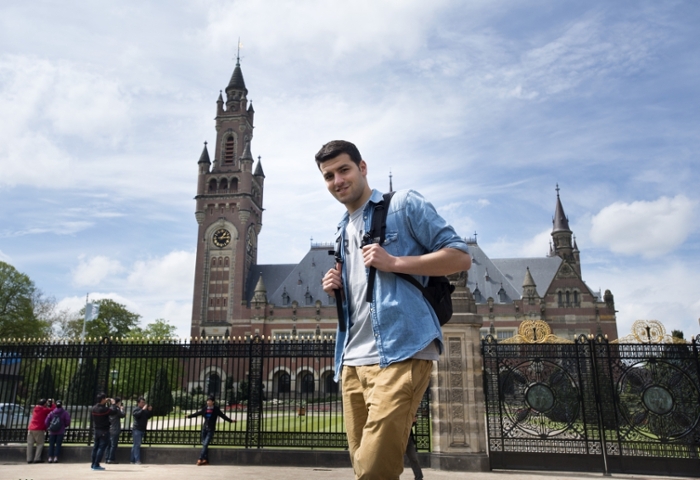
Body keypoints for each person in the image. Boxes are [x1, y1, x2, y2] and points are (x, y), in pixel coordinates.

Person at [317, 140, 471, 479]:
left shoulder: (404, 204)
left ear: (362, 167)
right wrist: (337, 289)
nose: (337, 180)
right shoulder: (342, 230)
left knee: (373, 469)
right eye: (329, 176)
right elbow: (365, 296)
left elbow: (460, 257)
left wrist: (396, 261)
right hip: (352, 360)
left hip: (401, 350)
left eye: (344, 169)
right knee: (365, 466)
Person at [186, 395, 234, 466]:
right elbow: (197, 413)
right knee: (204, 445)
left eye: (209, 401)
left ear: (213, 402)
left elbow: (223, 416)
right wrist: (189, 416)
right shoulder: (205, 409)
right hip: (204, 429)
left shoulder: (216, 409)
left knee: (205, 444)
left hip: (211, 429)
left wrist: (230, 420)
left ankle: (200, 459)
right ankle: (206, 460)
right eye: (207, 401)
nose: (208, 402)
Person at [27, 398, 55, 463]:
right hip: (39, 428)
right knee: (40, 444)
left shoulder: (35, 409)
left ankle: (29, 459)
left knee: (30, 444)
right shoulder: (43, 410)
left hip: (31, 428)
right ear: (44, 404)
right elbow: (52, 410)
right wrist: (53, 403)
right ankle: (37, 458)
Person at [91, 393, 111, 470]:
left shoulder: (94, 408)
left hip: (96, 429)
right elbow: (113, 411)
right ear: (102, 399)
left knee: (95, 447)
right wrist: (113, 404)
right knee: (101, 448)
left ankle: (93, 464)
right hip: (104, 430)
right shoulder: (103, 409)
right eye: (105, 398)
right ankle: (96, 464)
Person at [131, 397, 153, 465]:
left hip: (142, 429)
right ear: (138, 403)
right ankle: (137, 460)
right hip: (137, 429)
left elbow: (148, 416)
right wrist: (143, 410)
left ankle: (132, 460)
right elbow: (136, 415)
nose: (143, 404)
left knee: (135, 445)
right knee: (137, 445)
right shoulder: (136, 409)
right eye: (142, 402)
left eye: (144, 402)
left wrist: (150, 410)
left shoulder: (144, 410)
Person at [106, 397, 125, 464]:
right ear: (117, 402)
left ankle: (107, 458)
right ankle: (111, 459)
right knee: (113, 445)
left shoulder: (109, 409)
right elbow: (122, 415)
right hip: (115, 429)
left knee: (109, 445)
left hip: (109, 428)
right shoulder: (116, 409)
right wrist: (122, 409)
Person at [404, 416, 423, 480]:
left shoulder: (409, 411)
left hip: (409, 439)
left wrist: (413, 421)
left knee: (414, 458)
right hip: (399, 440)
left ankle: (419, 477)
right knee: (396, 460)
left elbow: (413, 422)